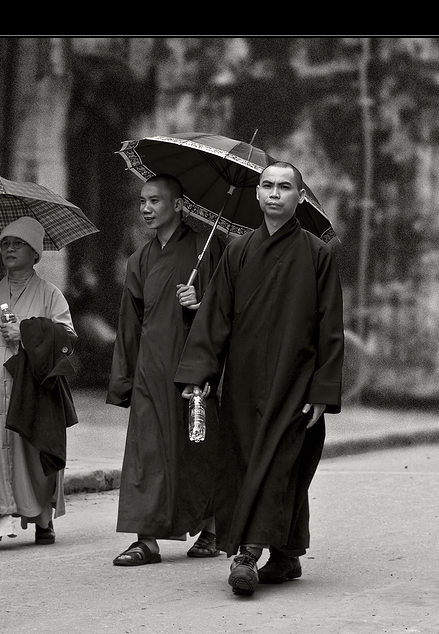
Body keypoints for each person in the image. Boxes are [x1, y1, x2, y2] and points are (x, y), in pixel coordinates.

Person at [175, 161, 344, 596]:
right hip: (244, 381)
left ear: (299, 197)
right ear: (256, 194)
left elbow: (330, 329)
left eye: (284, 187)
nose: (274, 194)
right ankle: (285, 556)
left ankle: (246, 555)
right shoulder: (238, 251)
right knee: (250, 463)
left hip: (295, 381)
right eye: (267, 186)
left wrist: (322, 391)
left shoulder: (317, 254)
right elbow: (215, 318)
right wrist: (199, 373)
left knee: (277, 463)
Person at [107, 174, 225, 566]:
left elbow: (230, 311)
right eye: (142, 200)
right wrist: (124, 379)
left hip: (194, 368)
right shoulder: (139, 260)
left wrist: (200, 302)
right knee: (146, 452)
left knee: (197, 448)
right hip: (149, 371)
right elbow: (129, 324)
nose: (145, 208)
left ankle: (210, 528)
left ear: (178, 205)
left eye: (155, 201)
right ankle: (147, 540)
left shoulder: (205, 249)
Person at [0, 216, 77, 554]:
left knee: (32, 450)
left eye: (17, 243)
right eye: (5, 243)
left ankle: (42, 517)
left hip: (29, 383)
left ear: (35, 252)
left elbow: (67, 337)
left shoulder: (50, 293)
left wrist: (26, 331)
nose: (8, 249)